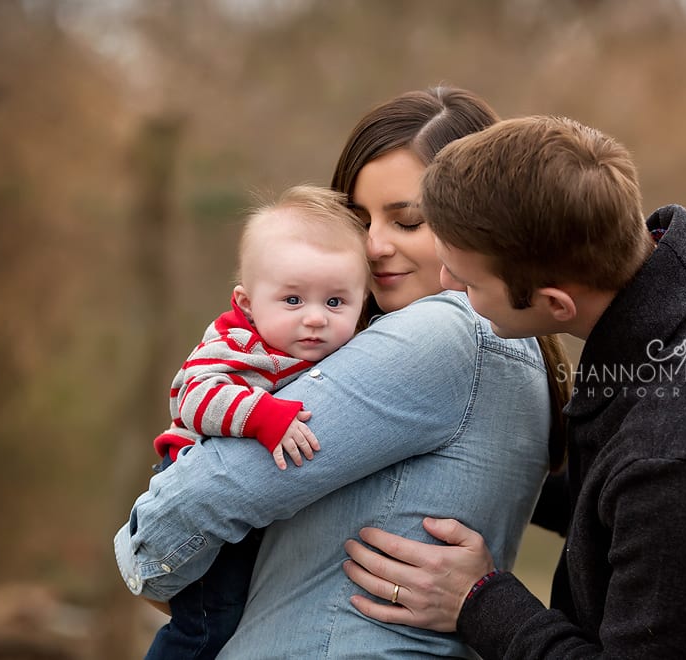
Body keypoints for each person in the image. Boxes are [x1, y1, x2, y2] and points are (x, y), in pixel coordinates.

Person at [341, 115, 686, 658]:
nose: (448, 282)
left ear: (555, 303)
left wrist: (478, 601)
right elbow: (615, 493)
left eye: (469, 282)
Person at [114, 87, 571, 658]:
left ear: (479, 221)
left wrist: (153, 566)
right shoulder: (515, 347)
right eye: (357, 220)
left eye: (408, 221)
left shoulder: (440, 334)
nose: (373, 246)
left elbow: (211, 493)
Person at [144, 185, 369, 659]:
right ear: (247, 303)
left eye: (335, 302)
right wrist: (264, 417)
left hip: (252, 505)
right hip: (198, 486)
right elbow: (193, 398)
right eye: (293, 300)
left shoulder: (333, 349)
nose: (315, 319)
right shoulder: (239, 345)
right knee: (208, 624)